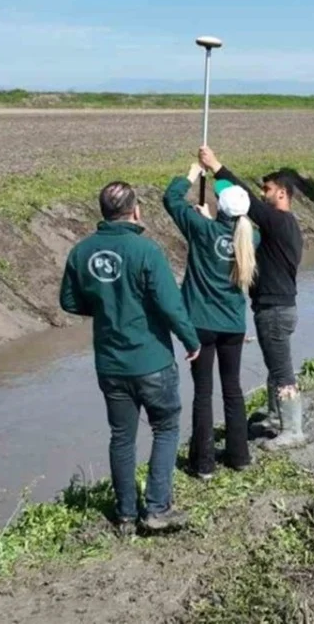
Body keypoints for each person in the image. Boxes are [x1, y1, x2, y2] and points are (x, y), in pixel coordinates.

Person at [59, 180, 201, 536]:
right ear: (135, 210)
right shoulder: (146, 251)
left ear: (103, 212)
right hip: (151, 359)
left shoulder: (81, 252)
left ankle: (124, 514)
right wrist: (191, 340)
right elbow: (171, 305)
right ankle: (156, 509)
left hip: (109, 363)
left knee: (121, 436)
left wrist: (108, 306)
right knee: (166, 428)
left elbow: (69, 302)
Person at [198, 145, 305, 450]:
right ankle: (275, 417)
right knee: (276, 364)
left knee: (282, 369)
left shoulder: (278, 221)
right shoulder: (283, 226)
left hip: (275, 310)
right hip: (277, 307)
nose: (263, 194)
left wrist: (217, 167)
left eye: (268, 189)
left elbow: (242, 200)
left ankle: (293, 430)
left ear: (282, 193)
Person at [162, 163, 261, 479]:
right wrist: (211, 217)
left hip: (200, 324)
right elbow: (231, 233)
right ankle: (239, 455)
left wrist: (191, 174)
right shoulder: (252, 238)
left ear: (220, 209)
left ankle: (203, 464)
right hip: (233, 325)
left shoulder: (202, 229)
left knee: (203, 392)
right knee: (233, 389)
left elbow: (171, 199)